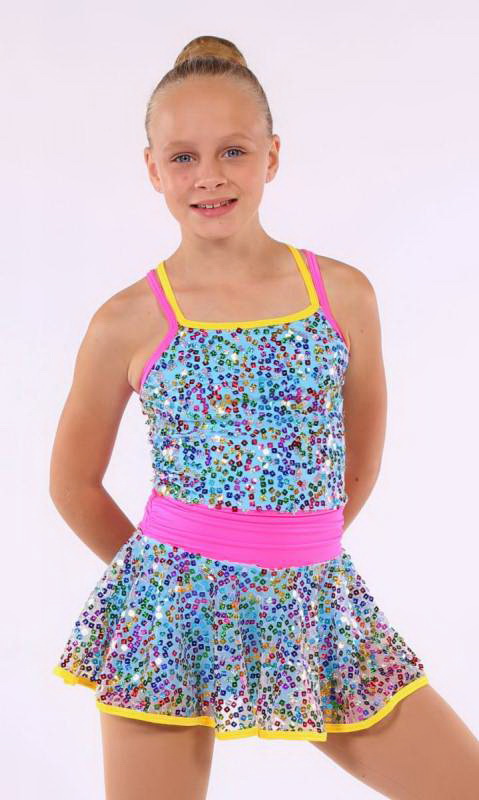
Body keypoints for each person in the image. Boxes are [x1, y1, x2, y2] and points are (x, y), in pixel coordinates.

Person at [50, 34, 479, 800]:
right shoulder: (126, 319)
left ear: (271, 156)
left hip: (313, 599)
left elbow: (359, 460)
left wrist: (286, 564)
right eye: (182, 157)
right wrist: (166, 585)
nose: (208, 175)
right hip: (168, 615)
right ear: (152, 169)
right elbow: (73, 484)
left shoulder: (341, 295)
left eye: (233, 151)